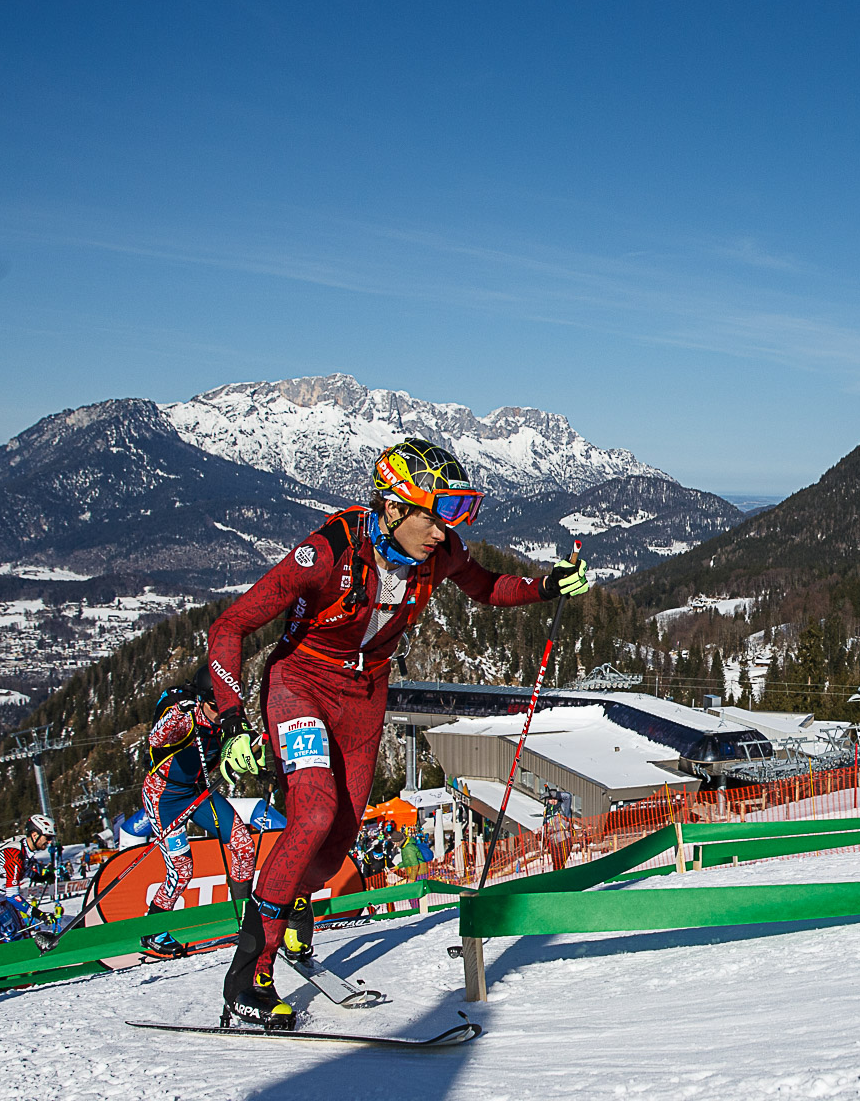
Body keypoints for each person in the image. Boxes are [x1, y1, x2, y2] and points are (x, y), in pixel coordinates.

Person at [207, 438, 590, 1028]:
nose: (442, 532)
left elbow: (486, 586)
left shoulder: (440, 553)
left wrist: (546, 586)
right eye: (432, 515)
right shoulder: (327, 552)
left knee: (334, 843)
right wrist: (233, 717)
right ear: (392, 508)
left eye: (453, 516)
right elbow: (230, 626)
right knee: (310, 813)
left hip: (364, 698)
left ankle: (293, 900)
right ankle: (249, 973)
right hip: (300, 684)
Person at [137, 684, 259, 960]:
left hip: (198, 792)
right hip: (164, 799)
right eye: (215, 707)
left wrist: (255, 753)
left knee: (243, 844)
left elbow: (247, 742)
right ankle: (153, 930)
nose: (221, 713)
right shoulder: (187, 718)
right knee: (182, 871)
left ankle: (244, 915)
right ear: (202, 701)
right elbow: (157, 738)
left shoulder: (228, 718)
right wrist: (180, 711)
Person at [0, 815, 56, 942]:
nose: (49, 842)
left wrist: (42, 878)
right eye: (48, 837)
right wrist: (39, 914)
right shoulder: (14, 856)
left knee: (25, 937)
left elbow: (25, 870)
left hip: (3, 902)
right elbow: (13, 896)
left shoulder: (24, 847)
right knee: (16, 940)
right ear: (35, 835)